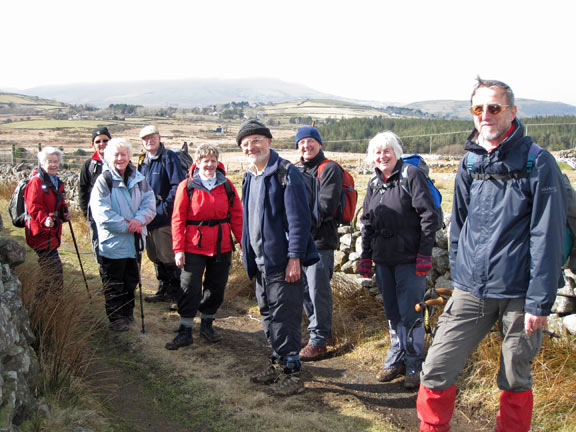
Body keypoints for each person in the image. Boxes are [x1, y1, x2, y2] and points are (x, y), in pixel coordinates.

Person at [416, 78, 567, 432]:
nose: (486, 115)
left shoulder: (538, 163)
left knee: (515, 375)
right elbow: (461, 226)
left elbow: (548, 234)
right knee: (437, 367)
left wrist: (538, 302)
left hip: (520, 293)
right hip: (472, 290)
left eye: (495, 108)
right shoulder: (469, 162)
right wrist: (461, 272)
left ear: (513, 112)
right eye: (478, 109)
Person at [238, 119, 319, 396]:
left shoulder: (286, 173)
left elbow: (299, 220)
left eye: (256, 141)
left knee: (285, 318)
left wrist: (294, 257)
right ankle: (278, 363)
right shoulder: (251, 176)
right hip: (260, 263)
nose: (251, 147)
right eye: (246, 144)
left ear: (269, 142)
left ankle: (293, 374)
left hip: (282, 262)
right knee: (268, 315)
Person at [357, 131, 440, 390]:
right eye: (378, 152)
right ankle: (398, 355)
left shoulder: (410, 176)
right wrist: (366, 257)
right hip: (383, 260)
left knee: (412, 311)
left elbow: (428, 217)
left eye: (387, 151)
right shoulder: (373, 182)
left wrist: (424, 254)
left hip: (409, 259)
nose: (382, 156)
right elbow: (368, 222)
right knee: (392, 312)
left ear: (396, 152)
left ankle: (415, 361)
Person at [166, 143, 243, 349]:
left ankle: (207, 324)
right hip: (193, 245)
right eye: (205, 161)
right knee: (189, 286)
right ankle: (185, 330)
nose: (209, 165)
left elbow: (236, 216)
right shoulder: (187, 186)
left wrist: (243, 242)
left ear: (218, 162)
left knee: (216, 286)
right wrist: (178, 249)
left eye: (213, 161)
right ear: (197, 162)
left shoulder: (227, 185)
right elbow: (177, 219)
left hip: (221, 244)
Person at [90, 138, 156, 331]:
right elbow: (101, 212)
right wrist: (126, 225)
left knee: (131, 280)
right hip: (113, 242)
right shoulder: (104, 180)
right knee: (113, 282)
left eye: (123, 154)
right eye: (116, 155)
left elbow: (149, 204)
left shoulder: (139, 179)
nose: (120, 158)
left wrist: (139, 220)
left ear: (129, 156)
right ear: (109, 157)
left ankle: (128, 314)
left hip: (135, 241)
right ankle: (115, 318)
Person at [295, 126, 343, 361]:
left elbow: (325, 205)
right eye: (302, 142)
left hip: (321, 241)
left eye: (310, 141)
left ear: (319, 144)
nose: (306, 146)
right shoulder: (296, 170)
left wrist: (299, 228)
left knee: (317, 290)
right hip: (301, 242)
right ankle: (321, 333)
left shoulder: (330, 169)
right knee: (305, 290)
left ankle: (319, 340)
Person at [137, 125, 186, 311]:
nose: (149, 140)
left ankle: (177, 293)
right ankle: (163, 289)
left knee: (168, 255)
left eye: (152, 137)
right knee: (154, 254)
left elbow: (178, 185)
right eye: (145, 138)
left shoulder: (169, 157)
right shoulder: (143, 159)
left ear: (159, 137)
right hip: (146, 215)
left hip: (163, 216)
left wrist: (165, 208)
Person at [24, 146, 71, 296]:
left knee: (49, 271)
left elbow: (58, 202)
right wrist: (44, 219)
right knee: (54, 270)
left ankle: (43, 305)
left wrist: (64, 213)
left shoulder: (55, 181)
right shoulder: (37, 182)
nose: (53, 164)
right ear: (42, 163)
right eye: (49, 161)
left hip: (51, 232)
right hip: (40, 233)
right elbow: (33, 207)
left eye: (55, 161)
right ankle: (52, 304)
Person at [78, 127, 111, 267]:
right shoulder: (88, 166)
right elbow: (83, 190)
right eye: (98, 141)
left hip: (117, 215)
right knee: (99, 249)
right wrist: (88, 213)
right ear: (93, 144)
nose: (102, 143)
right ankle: (105, 282)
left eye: (105, 140)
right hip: (95, 217)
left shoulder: (120, 161)